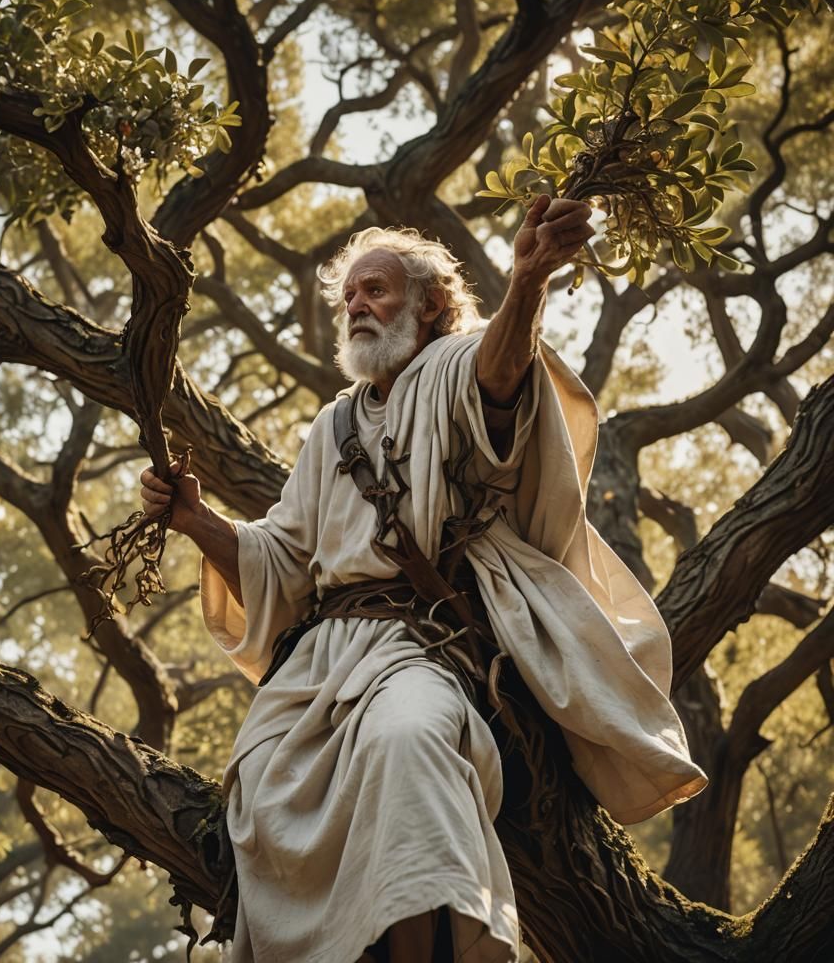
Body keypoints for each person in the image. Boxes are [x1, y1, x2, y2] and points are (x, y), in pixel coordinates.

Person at [140, 194, 708, 963]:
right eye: (349, 296)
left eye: (375, 289)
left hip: (426, 643)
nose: (357, 307)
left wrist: (531, 279)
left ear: (431, 301)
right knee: (257, 790)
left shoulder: (454, 364)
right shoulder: (331, 426)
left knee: (407, 736)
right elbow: (280, 561)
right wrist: (194, 522)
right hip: (319, 668)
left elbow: (499, 379)